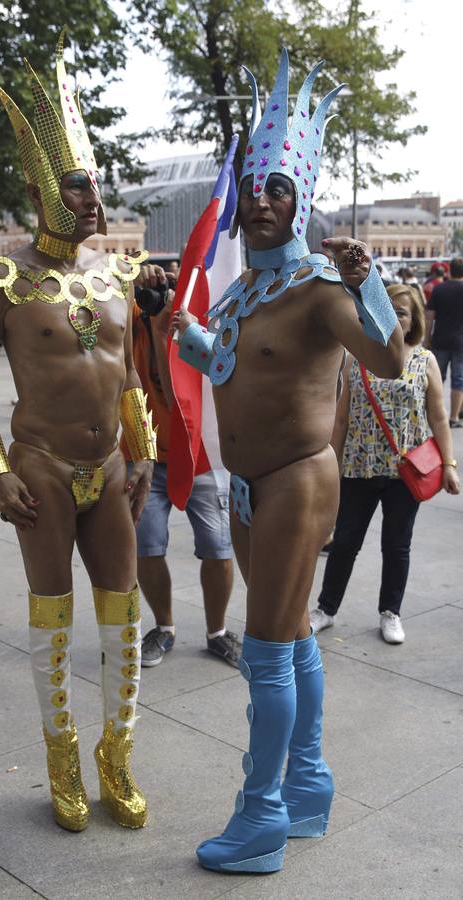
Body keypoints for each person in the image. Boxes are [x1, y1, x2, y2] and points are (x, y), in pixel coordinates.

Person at [171, 51, 404, 874]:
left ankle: (259, 818)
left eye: (280, 190)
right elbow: (239, 370)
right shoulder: (243, 293)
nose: (264, 201)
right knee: (296, 640)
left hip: (297, 481)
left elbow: (387, 364)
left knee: (266, 648)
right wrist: (189, 336)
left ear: (298, 201)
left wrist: (366, 284)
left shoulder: (316, 287)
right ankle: (306, 788)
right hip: (244, 485)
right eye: (256, 189)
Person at [0, 29, 155, 833]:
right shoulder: (1, 282)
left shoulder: (116, 277)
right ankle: (62, 754)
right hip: (38, 467)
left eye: (95, 187)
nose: (92, 200)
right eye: (76, 187)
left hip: (108, 468)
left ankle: (118, 753)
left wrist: (145, 452)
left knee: (123, 611)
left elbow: (133, 375)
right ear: (43, 190)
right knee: (53, 613)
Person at [310, 284, 459, 643]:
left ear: (414, 321)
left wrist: (450, 464)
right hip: (358, 467)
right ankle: (326, 609)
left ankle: (390, 613)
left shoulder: (425, 360)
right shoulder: (354, 358)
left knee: (396, 545)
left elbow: (439, 417)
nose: (394, 318)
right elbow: (341, 419)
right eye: (387, 310)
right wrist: (331, 462)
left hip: (404, 471)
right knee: (345, 542)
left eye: (402, 313)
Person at [123, 267, 239, 668]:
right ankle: (164, 628)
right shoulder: (132, 324)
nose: (162, 300)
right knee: (147, 548)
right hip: (143, 457)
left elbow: (184, 395)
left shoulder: (197, 329)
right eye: (157, 295)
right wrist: (133, 285)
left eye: (170, 292)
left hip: (201, 455)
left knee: (219, 550)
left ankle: (217, 632)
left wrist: (172, 325)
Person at [425, 256, 463, 427]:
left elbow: (429, 317)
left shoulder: (439, 289)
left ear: (449, 270)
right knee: (459, 380)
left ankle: (434, 416)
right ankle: (454, 417)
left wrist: (427, 339)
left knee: (436, 380)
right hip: (460, 343)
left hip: (440, 339)